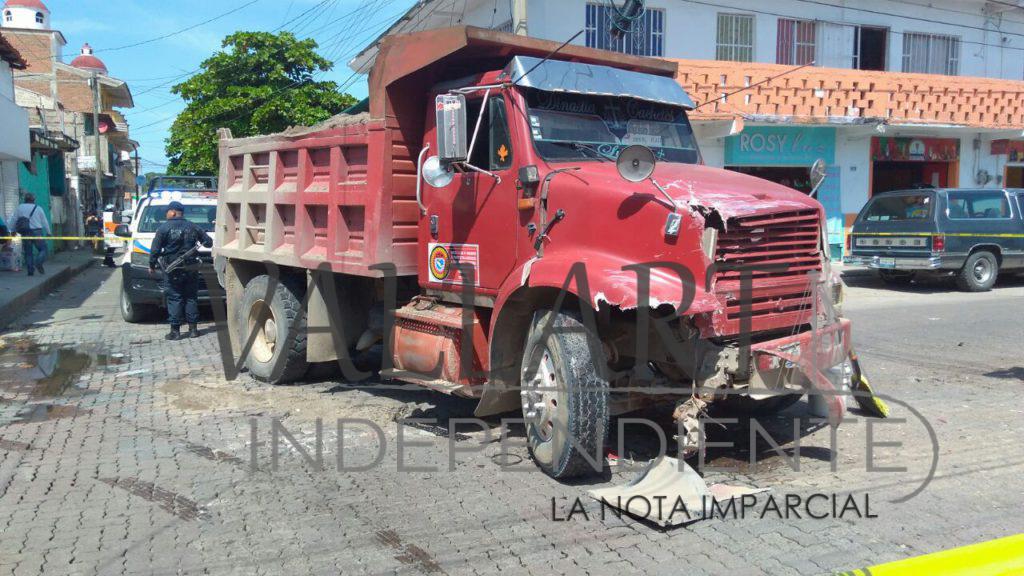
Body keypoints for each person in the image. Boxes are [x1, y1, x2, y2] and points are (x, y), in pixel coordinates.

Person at [149, 201, 213, 340]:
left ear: (172, 212)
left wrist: (151, 265)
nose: (166, 214)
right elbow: (209, 242)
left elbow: (155, 250)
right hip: (191, 268)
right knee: (191, 297)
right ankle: (193, 330)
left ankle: (175, 331)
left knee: (174, 298)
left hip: (172, 269)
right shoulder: (194, 227)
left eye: (167, 212)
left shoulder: (163, 228)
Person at [13, 192, 50, 276]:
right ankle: (38, 262)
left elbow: (14, 219)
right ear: (34, 199)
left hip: (25, 232)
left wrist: (12, 230)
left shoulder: (20, 208)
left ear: (25, 199)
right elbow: (44, 221)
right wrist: (48, 232)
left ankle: (30, 271)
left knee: (28, 252)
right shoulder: (38, 208)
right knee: (43, 249)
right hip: (37, 232)